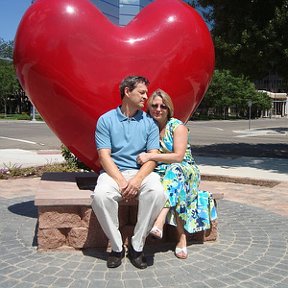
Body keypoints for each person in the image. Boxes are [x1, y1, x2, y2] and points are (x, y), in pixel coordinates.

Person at [91, 76, 167, 269]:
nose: (146, 97)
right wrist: (122, 181)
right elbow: (104, 156)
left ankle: (137, 245)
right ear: (127, 92)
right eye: (141, 92)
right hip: (113, 173)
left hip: (141, 172)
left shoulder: (149, 123)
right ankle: (117, 247)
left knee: (157, 192)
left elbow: (152, 157)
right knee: (100, 196)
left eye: (146, 93)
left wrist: (137, 179)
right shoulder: (106, 120)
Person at [137, 89, 217, 259]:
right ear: (149, 107)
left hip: (185, 169)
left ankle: (160, 221)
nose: (158, 109)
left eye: (163, 106)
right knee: (171, 189)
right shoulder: (148, 126)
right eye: (154, 105)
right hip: (162, 172)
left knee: (174, 173)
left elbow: (178, 156)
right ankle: (181, 238)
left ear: (169, 109)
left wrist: (151, 156)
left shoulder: (177, 126)